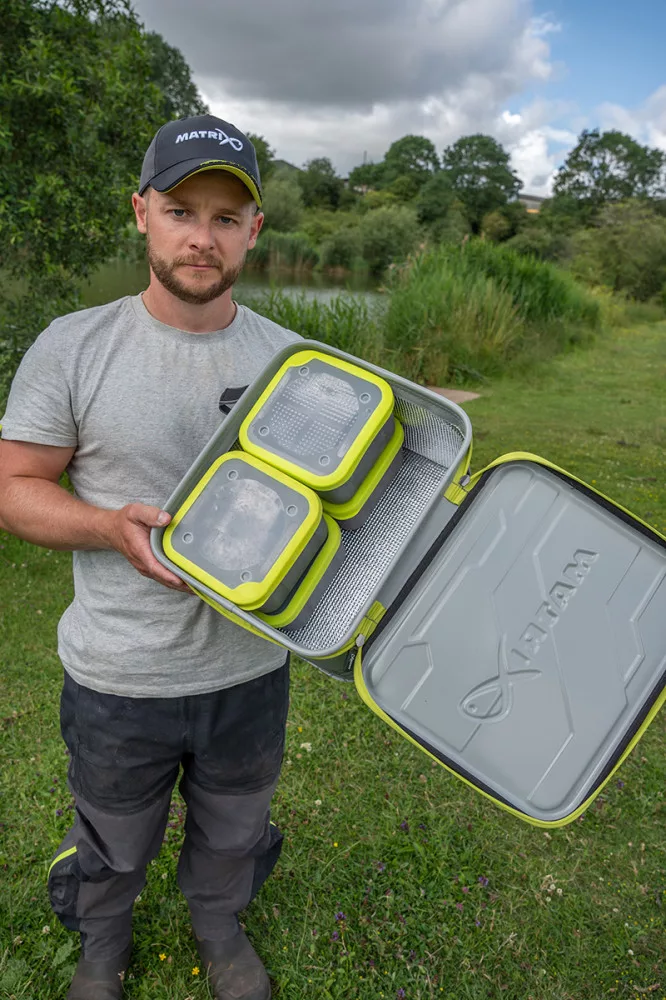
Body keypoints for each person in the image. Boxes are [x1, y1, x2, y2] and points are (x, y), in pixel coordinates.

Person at [0, 114, 302, 1000]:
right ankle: (103, 941)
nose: (202, 237)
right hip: (119, 673)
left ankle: (219, 923)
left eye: (225, 217)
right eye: (180, 211)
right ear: (141, 213)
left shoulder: (292, 362)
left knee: (235, 823)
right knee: (114, 834)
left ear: (254, 230)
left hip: (250, 668)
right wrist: (107, 527)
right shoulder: (73, 346)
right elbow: (13, 486)